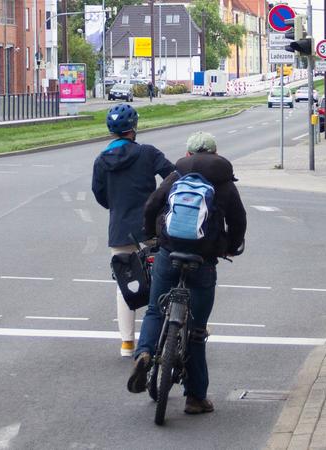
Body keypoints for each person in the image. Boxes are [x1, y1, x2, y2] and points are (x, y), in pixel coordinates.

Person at [127, 131, 247, 415]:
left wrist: (152, 234)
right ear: (215, 153)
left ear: (189, 154)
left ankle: (144, 352)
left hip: (169, 252)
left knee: (156, 310)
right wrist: (229, 247)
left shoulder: (177, 174)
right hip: (203, 259)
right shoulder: (224, 180)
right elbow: (238, 220)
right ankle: (195, 398)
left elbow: (152, 204)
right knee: (196, 331)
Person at [92, 103, 175, 357]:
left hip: (120, 228)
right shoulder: (148, 153)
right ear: (134, 128)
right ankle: (159, 337)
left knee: (125, 283)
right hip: (150, 227)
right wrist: (160, 201)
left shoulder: (102, 160)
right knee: (162, 279)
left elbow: (100, 193)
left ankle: (126, 343)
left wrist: (116, 207)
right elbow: (172, 174)